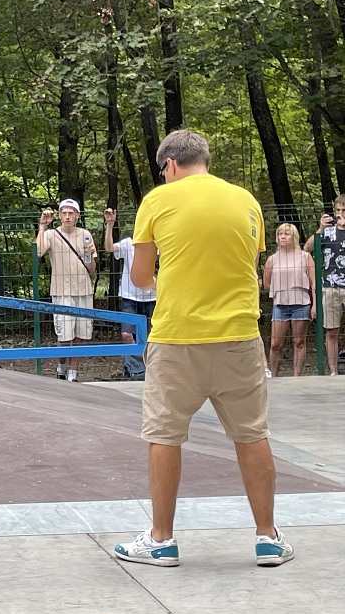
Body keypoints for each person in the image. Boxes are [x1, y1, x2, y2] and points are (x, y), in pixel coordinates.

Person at [115, 130, 294, 569]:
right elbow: (245, 263)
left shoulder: (158, 201)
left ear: (171, 165)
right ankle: (268, 538)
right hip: (239, 336)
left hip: (177, 337)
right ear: (204, 160)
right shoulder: (246, 201)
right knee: (252, 434)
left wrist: (166, 278)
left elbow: (140, 277)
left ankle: (161, 540)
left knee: (164, 434)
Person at [36, 199, 97, 382]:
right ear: (60, 215)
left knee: (80, 334)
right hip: (61, 290)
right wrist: (42, 226)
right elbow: (38, 251)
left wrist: (90, 255)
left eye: (71, 213)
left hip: (83, 289)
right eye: (64, 213)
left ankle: (73, 373)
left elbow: (91, 268)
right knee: (64, 335)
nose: (68, 216)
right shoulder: (51, 234)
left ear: (77, 215)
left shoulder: (85, 235)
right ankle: (61, 366)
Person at [104, 207, 156, 380]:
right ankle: (136, 370)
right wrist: (109, 225)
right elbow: (109, 248)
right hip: (130, 298)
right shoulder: (128, 244)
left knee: (151, 337)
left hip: (152, 297)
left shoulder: (158, 244)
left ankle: (149, 370)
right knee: (127, 335)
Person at [262, 223, 315, 378]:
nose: (283, 237)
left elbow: (314, 283)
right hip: (280, 304)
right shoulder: (272, 260)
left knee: (299, 342)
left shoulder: (305, 257)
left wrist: (314, 306)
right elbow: (266, 283)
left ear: (294, 237)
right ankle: (273, 376)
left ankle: (296, 377)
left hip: (301, 303)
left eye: (287, 234)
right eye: (280, 234)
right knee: (275, 344)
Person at [304, 196, 345, 376]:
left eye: (344, 211)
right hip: (330, 286)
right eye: (338, 210)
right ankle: (333, 371)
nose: (340, 214)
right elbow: (307, 249)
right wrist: (320, 229)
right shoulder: (327, 232)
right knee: (331, 330)